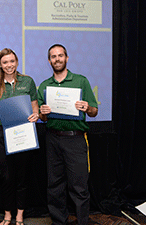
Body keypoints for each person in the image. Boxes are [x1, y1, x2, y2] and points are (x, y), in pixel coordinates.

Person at [37, 44, 98, 225]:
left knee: (79, 187)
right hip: (53, 138)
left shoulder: (81, 81)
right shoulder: (45, 86)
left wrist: (87, 107)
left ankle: (82, 222)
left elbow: (94, 111)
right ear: (49, 61)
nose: (57, 59)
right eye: (53, 57)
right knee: (54, 186)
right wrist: (43, 113)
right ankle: (58, 222)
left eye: (60, 55)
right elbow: (43, 118)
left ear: (67, 58)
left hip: (76, 139)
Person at [0, 48, 39, 225]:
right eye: (5, 62)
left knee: (22, 177)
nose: (9, 65)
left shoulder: (27, 81)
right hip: (3, 134)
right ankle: (7, 215)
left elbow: (35, 106)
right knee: (6, 177)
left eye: (12, 61)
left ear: (16, 62)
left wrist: (36, 115)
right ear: (0, 64)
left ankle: (20, 216)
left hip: (24, 133)